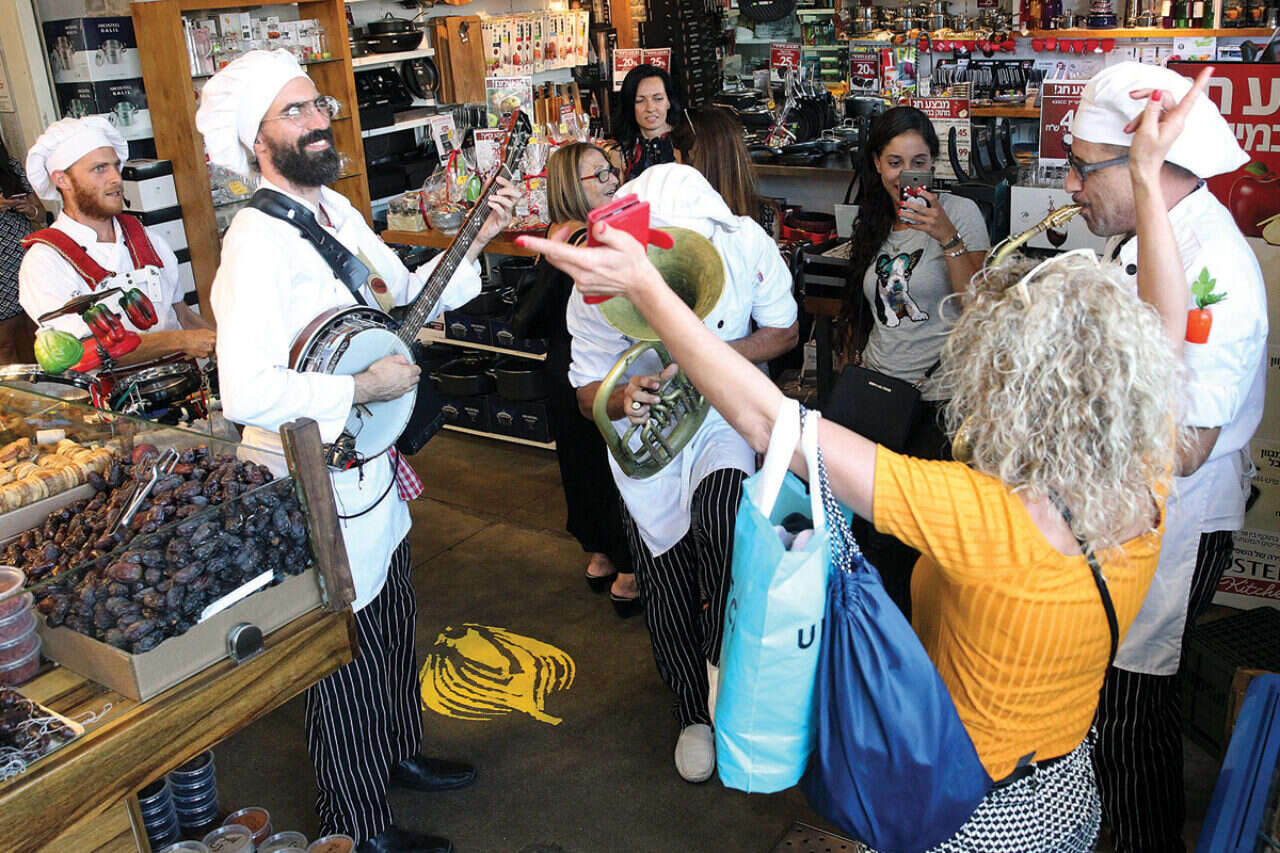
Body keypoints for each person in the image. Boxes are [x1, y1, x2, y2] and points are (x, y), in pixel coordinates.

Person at [518, 70, 1210, 850]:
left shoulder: (987, 520)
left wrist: (650, 289)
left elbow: (769, 417)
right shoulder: (1141, 480)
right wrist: (1146, 177)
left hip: (961, 808)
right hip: (1066, 798)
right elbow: (1163, 337)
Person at [195, 50, 521, 853]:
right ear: (257, 141)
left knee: (392, 620)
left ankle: (395, 752)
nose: (317, 122)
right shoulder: (254, 245)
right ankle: (356, 822)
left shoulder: (336, 210)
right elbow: (246, 390)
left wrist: (480, 235)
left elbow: (403, 296)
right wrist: (360, 388)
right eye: (294, 112)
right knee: (341, 653)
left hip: (372, 469)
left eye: (317, 106)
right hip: (316, 481)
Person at [1066, 62, 1269, 853]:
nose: (1072, 185)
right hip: (1123, 512)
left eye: (1083, 166)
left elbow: (1186, 447)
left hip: (1172, 523)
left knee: (1131, 710)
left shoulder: (1214, 265)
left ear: (1147, 163)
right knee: (1109, 702)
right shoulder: (1145, 236)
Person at [563, 162, 798, 782]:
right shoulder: (597, 276)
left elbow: (784, 331)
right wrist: (619, 397)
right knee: (662, 567)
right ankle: (692, 709)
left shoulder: (744, 243)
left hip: (723, 413)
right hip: (648, 436)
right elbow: (584, 392)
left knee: (723, 518)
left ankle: (727, 678)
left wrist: (713, 357)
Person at [834, 105, 990, 619]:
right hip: (878, 398)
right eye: (895, 162)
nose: (906, 174)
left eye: (918, 162)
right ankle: (878, 633)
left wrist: (946, 235)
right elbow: (867, 308)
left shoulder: (960, 213)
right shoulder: (874, 220)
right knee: (871, 531)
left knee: (921, 538)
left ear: (934, 164)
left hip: (938, 401)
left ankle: (916, 638)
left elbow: (979, 305)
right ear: (877, 165)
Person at [520, 141, 638, 614]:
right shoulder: (586, 238)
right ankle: (628, 568)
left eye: (611, 170)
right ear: (573, 184)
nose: (612, 180)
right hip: (590, 363)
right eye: (600, 175)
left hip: (560, 363)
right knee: (611, 462)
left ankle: (600, 554)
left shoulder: (558, 231)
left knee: (579, 462)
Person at [18, 117, 215, 363]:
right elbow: (82, 354)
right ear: (62, 180)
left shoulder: (146, 239)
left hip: (182, 380)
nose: (116, 178)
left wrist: (227, 347)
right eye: (99, 169)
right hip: (110, 389)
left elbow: (182, 316)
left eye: (116, 166)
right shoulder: (45, 261)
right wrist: (179, 341)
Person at [0, 133, 43, 365]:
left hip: (24, 257)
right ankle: (11, 386)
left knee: (38, 332)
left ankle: (46, 381)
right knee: (4, 342)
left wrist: (29, 209)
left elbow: (40, 212)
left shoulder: (11, 167)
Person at [612, 65, 686, 180]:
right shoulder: (620, 154)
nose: (650, 108)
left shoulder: (687, 143)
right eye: (640, 101)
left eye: (658, 99)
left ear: (669, 102)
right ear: (630, 106)